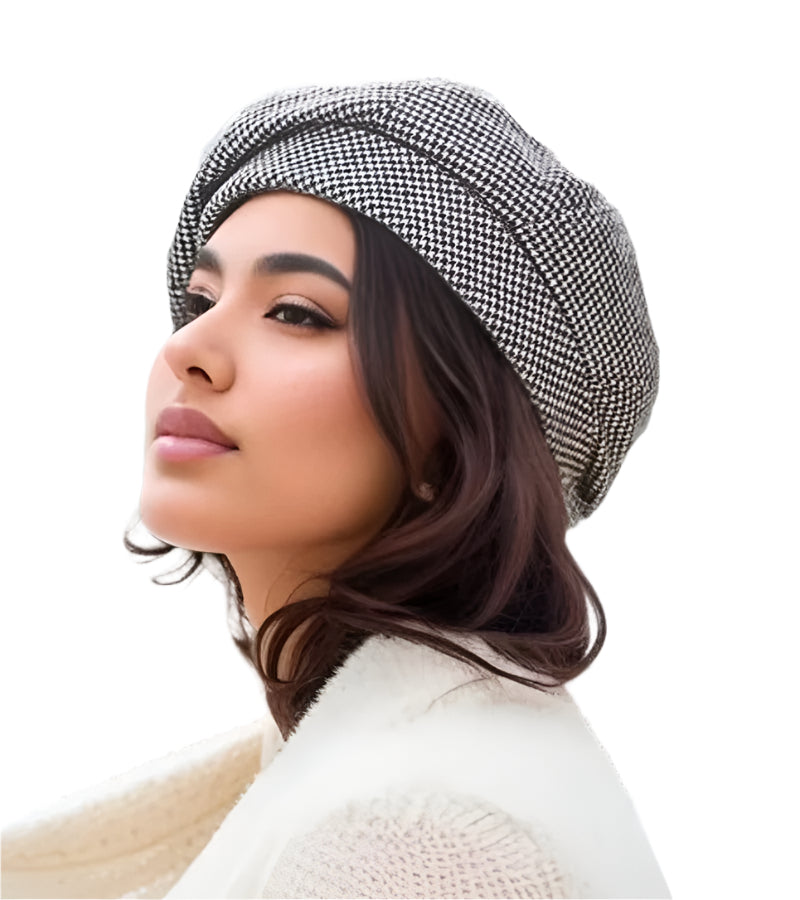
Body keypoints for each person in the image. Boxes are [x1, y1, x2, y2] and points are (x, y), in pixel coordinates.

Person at [1, 79, 670, 899]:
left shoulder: (416, 832)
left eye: (294, 312)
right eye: (201, 300)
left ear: (455, 440)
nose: (187, 349)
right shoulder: (416, 755)